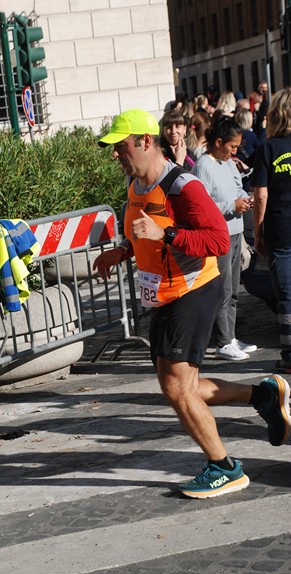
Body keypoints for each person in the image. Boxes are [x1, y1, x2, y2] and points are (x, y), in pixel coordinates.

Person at [93, 108, 290, 499]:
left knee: (175, 386)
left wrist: (165, 234)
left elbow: (216, 241)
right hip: (164, 295)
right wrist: (125, 250)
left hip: (192, 291)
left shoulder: (183, 186)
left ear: (146, 141)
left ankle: (224, 468)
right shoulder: (136, 185)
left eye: (121, 146)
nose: (116, 154)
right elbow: (146, 231)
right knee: (187, 384)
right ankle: (264, 396)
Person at [192, 116, 257, 360]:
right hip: (219, 235)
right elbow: (202, 206)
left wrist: (243, 198)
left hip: (235, 230)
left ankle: (229, 336)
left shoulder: (228, 163)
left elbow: (236, 186)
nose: (235, 151)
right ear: (218, 142)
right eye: (232, 146)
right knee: (222, 288)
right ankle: (223, 340)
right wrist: (232, 204)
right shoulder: (203, 166)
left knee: (233, 289)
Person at [251, 87, 291, 374]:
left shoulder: (267, 149)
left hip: (281, 230)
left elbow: (261, 195)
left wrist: (258, 231)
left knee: (287, 295)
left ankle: (290, 356)